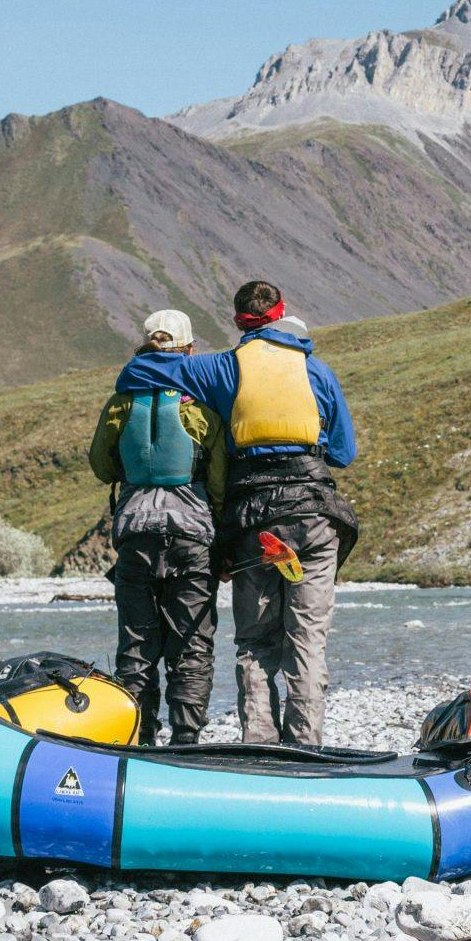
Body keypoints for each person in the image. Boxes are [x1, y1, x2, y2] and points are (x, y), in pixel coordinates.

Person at [114, 281, 357, 747]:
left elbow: (138, 373)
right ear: (283, 313)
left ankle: (259, 743)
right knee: (307, 638)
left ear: (237, 321)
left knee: (255, 639)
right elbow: (344, 453)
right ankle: (306, 745)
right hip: (314, 515)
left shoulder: (222, 367)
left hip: (255, 521)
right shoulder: (317, 372)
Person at [88, 309, 226, 746]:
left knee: (136, 644)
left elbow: (100, 464)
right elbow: (220, 479)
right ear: (189, 349)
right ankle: (186, 740)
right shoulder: (201, 406)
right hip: (191, 535)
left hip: (135, 535)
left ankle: (140, 737)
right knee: (191, 644)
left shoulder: (120, 403)